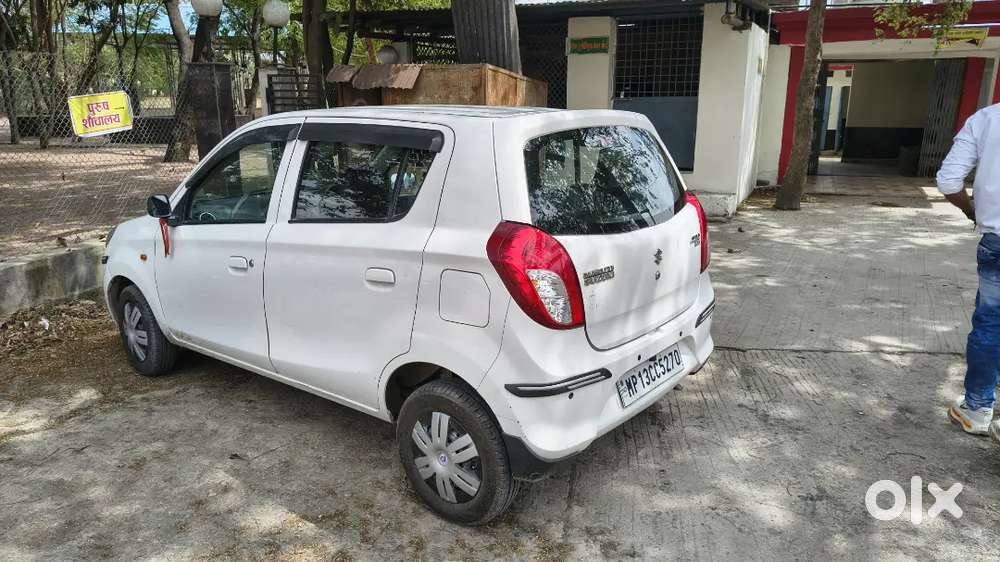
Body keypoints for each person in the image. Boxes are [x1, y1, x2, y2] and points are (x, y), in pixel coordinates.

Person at [938, 103, 1000, 443]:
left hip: (998, 239)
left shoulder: (988, 119)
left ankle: (977, 408)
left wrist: (972, 210)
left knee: (991, 323)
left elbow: (948, 181)